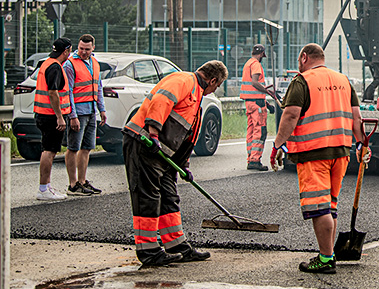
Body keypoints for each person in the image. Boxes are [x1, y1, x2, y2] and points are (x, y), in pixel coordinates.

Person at [122, 60, 228, 267]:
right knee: (148, 196)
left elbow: (185, 134)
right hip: (143, 143)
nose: (214, 90)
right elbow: (161, 101)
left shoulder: (197, 95)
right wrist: (153, 134)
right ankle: (149, 250)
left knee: (169, 196)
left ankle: (176, 245)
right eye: (217, 86)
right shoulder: (183, 80)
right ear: (213, 80)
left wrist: (184, 165)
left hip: (163, 154)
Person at [270, 43, 364, 274]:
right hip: (340, 153)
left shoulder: (302, 81)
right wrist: (361, 143)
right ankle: (328, 254)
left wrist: (278, 144)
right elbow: (357, 117)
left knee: (318, 208)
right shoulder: (343, 80)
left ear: (304, 57)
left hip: (313, 153)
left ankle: (325, 259)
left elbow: (291, 114)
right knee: (330, 205)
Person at [63, 34, 107, 196]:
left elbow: (98, 87)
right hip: (78, 113)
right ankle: (73, 184)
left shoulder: (95, 63)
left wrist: (102, 110)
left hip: (91, 111)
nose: (83, 52)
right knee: (73, 147)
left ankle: (82, 181)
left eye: (87, 49)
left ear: (93, 48)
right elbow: (68, 92)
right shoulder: (70, 64)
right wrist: (72, 116)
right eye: (81, 48)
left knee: (87, 147)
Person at [34, 38, 73, 201]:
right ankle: (43, 189)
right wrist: (59, 117)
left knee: (48, 149)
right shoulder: (55, 67)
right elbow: (53, 92)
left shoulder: (47, 63)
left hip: (43, 113)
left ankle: (46, 186)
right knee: (49, 150)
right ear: (66, 51)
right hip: (51, 116)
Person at [240, 44, 277, 171]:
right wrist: (269, 93)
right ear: (262, 54)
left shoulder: (248, 63)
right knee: (260, 131)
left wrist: (267, 104)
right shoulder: (256, 64)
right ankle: (255, 160)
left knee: (251, 131)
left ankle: (250, 158)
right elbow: (255, 83)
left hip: (250, 103)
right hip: (257, 104)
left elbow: (252, 89)